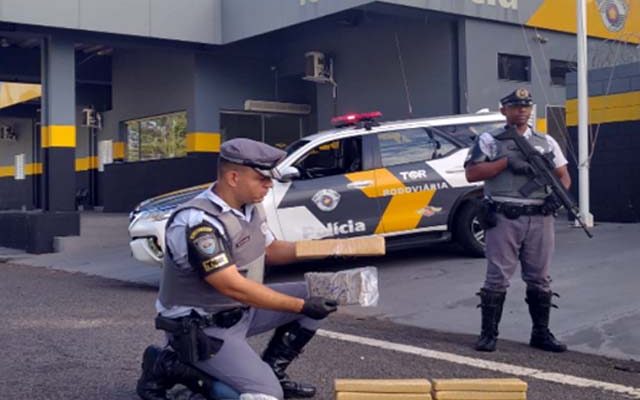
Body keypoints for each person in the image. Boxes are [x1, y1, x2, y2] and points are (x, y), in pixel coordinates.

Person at [136, 138, 338, 400]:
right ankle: (169, 365)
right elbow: (230, 285)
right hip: (202, 326)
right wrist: (300, 306)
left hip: (239, 312)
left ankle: (273, 372)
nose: (269, 185)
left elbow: (271, 249)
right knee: (264, 395)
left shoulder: (249, 208)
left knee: (318, 291)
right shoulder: (199, 222)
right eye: (262, 179)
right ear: (233, 177)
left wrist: (332, 248)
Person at [464, 88, 570, 353]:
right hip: (504, 215)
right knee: (497, 278)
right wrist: (504, 163)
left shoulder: (546, 142)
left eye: (526, 105)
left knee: (540, 278)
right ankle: (489, 335)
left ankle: (541, 334)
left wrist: (556, 198)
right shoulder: (490, 140)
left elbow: (563, 176)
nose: (522, 110)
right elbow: (472, 173)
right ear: (504, 111)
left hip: (540, 217)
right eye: (515, 106)